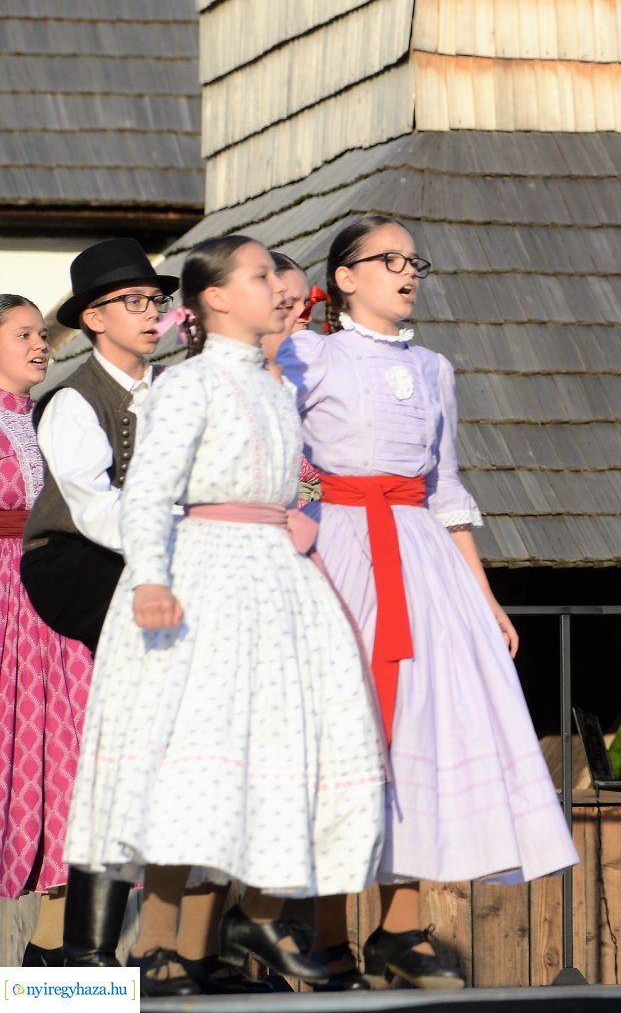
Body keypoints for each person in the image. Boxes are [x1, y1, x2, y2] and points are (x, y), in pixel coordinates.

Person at [61, 236, 389, 998]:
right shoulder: (185, 385)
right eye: (262, 274)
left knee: (285, 740)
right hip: (199, 575)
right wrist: (149, 577)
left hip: (271, 578)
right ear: (214, 298)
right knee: (182, 754)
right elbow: (145, 493)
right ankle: (81, 970)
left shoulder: (273, 388)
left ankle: (234, 923)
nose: (280, 285)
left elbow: (280, 492)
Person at [279, 216, 577, 991]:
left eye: (415, 262)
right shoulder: (309, 353)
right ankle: (322, 932)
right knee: (343, 729)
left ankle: (400, 928)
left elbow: (445, 490)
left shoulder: (437, 368)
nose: (407, 273)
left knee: (418, 725)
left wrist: (488, 600)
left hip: (419, 556)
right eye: (389, 260)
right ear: (344, 277)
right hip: (342, 548)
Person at [19, 239, 175, 969]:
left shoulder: (172, 390)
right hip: (77, 569)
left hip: (149, 568)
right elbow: (95, 508)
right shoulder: (72, 403)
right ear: (93, 319)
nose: (151, 314)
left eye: (155, 300)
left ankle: (75, 956)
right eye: (134, 303)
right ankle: (84, 952)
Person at [0, 295, 93, 964]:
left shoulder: (53, 419)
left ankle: (57, 971)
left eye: (42, 335)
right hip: (5, 607)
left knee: (71, 763)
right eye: (23, 334)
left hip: (54, 605)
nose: (40, 345)